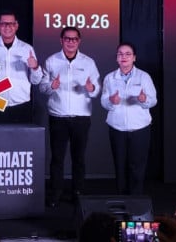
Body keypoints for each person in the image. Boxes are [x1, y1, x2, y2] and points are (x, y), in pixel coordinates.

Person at [39, 26, 100, 207]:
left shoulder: (88, 62)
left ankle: (78, 193)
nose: (71, 42)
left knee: (78, 158)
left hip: (81, 118)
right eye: (67, 39)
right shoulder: (52, 61)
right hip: (58, 117)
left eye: (74, 39)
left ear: (79, 41)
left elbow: (97, 89)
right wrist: (52, 86)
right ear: (61, 40)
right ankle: (55, 193)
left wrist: (91, 88)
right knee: (57, 158)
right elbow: (42, 87)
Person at [101, 42, 157, 195]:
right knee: (120, 165)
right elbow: (103, 102)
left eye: (128, 54)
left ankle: (136, 198)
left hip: (140, 128)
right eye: (120, 54)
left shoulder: (144, 77)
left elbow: (153, 100)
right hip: (117, 128)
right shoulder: (110, 78)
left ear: (134, 58)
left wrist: (144, 99)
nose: (123, 57)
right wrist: (111, 101)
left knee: (137, 166)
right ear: (116, 58)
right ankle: (122, 198)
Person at [0, 10, 42, 123]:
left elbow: (36, 81)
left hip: (21, 104)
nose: (7, 27)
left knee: (22, 135)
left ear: (16, 26)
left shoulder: (27, 49)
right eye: (4, 24)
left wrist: (35, 68)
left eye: (11, 24)